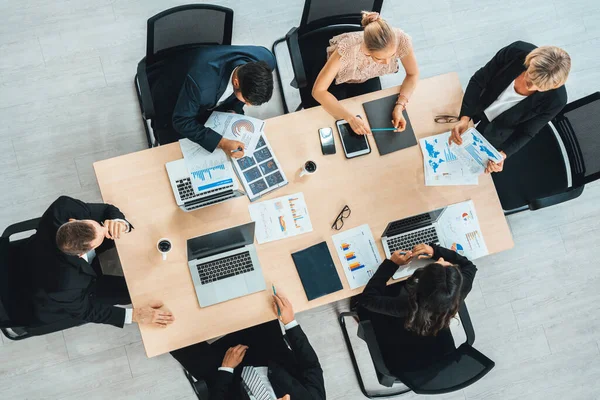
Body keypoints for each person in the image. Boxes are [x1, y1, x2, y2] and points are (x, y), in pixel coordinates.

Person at [24, 196, 174, 329]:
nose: (104, 228)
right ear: (83, 253)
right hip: (54, 293)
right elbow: (86, 311)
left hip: (42, 253)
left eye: (99, 226)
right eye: (102, 233)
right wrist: (134, 315)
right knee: (137, 293)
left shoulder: (63, 208)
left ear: (74, 220)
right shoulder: (64, 287)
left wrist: (119, 223)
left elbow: (106, 210)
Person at [170, 291, 325, 400]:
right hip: (269, 355)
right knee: (256, 293)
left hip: (227, 377)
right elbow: (311, 365)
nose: (284, 398)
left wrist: (226, 369)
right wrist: (290, 323)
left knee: (170, 337)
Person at [449, 41, 571, 173]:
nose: (530, 86)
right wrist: (465, 117)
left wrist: (502, 154)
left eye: (539, 87)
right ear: (530, 61)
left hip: (497, 132)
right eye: (529, 76)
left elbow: (527, 132)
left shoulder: (556, 100)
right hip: (476, 104)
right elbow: (479, 80)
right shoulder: (516, 51)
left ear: (553, 86)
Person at [356, 243, 477, 373]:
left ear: (421, 282)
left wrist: (391, 264)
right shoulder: (460, 290)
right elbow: (470, 267)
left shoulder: (406, 307)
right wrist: (434, 250)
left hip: (400, 354)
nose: (441, 259)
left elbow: (366, 300)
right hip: (434, 350)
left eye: (438, 263)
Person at [311, 11, 419, 135]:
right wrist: (349, 118)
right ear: (366, 50)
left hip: (365, 76)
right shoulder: (348, 48)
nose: (387, 62)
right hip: (336, 78)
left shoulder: (400, 39)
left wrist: (400, 105)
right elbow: (318, 91)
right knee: (332, 124)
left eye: (392, 55)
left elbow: (413, 74)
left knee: (374, 117)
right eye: (379, 58)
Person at [172, 45, 276, 158]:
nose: (247, 105)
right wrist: (221, 143)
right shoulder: (201, 86)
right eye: (246, 101)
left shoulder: (266, 59)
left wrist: (233, 110)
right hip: (176, 96)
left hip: (213, 93)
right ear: (236, 83)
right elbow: (181, 121)